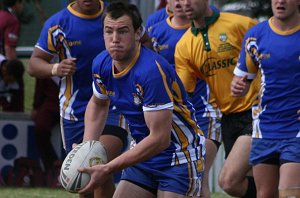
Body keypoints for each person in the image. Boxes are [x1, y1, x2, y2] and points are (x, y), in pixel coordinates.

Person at [78, 2, 206, 197]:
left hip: (178, 155)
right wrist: (87, 149)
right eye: (108, 31)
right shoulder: (101, 63)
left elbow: (160, 139)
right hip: (142, 154)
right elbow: (98, 103)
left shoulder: (150, 71)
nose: (114, 39)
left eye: (122, 31)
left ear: (138, 33)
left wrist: (108, 167)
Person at [28, 0, 129, 197]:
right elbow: (33, 64)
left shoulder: (115, 16)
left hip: (113, 106)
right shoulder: (57, 24)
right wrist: (56, 68)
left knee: (98, 165)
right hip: (75, 111)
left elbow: (145, 43)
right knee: (83, 180)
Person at [175, 0, 259, 197]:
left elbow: (275, 53)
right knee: (251, 180)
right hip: (228, 118)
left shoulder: (240, 24)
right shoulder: (184, 46)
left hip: (256, 112)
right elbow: (184, 95)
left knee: (228, 181)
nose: (185, 3)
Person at [148, 1, 222, 197]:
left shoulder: (208, 29)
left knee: (200, 174)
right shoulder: (154, 31)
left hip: (204, 111)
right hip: (170, 115)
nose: (181, 2)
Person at [231, 0, 300, 197]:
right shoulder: (256, 35)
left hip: (296, 128)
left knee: (290, 194)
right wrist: (238, 86)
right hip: (265, 127)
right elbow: (243, 78)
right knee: (265, 194)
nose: (281, 1)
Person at [31, 77, 61, 186]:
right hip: (52, 103)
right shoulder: (48, 62)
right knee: (40, 127)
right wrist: (36, 106)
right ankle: (52, 166)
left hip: (76, 101)